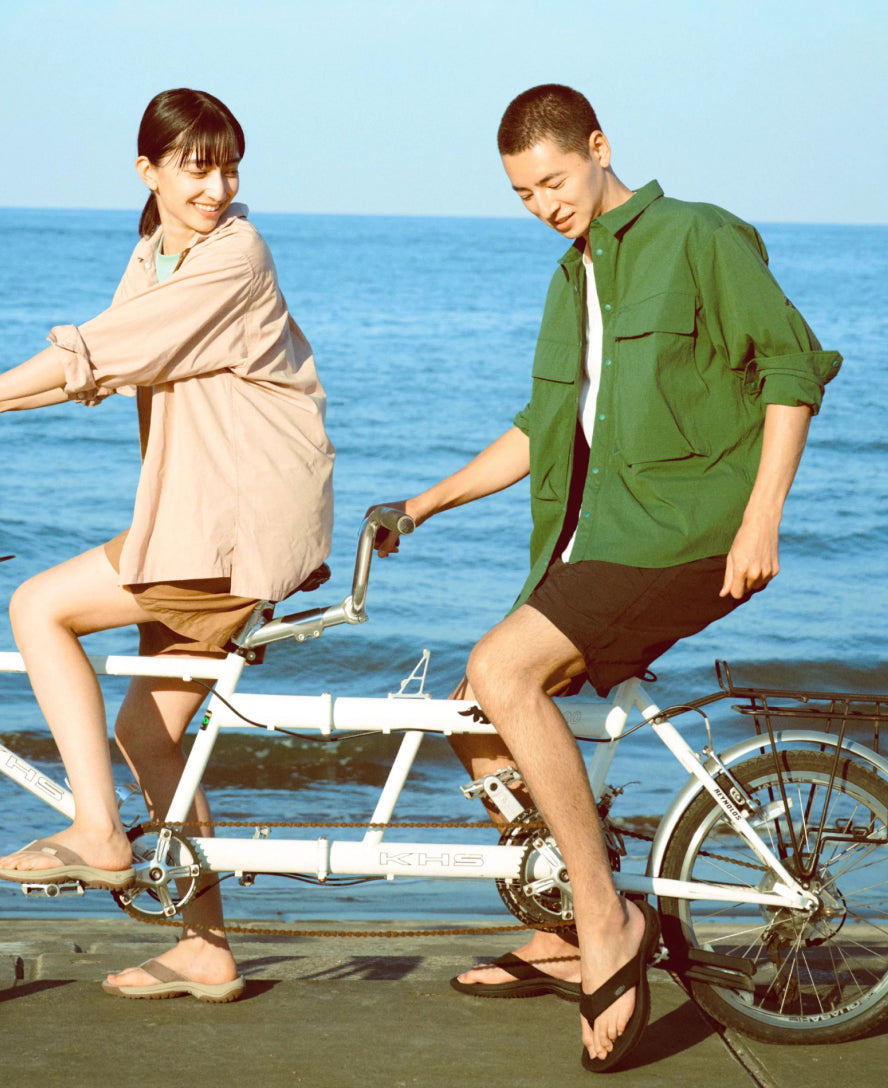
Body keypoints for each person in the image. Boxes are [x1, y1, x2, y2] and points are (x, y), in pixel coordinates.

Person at [373, 84, 841, 1071]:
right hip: (596, 544)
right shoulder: (570, 277)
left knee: (502, 669)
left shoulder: (699, 236)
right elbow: (541, 428)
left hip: (687, 534)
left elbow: (792, 368)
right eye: (522, 193)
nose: (543, 204)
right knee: (473, 716)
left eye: (553, 180)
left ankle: (606, 918)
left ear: (598, 146)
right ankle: (557, 928)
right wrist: (422, 503)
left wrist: (762, 516)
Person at [0, 88, 334, 1002]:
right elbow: (98, 367)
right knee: (146, 730)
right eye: (197, 170)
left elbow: (96, 352)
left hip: (233, 524)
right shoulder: (154, 253)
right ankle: (205, 947)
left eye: (228, 169)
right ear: (147, 171)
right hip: (198, 515)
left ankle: (99, 832)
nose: (217, 188)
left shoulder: (234, 255)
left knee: (38, 607)